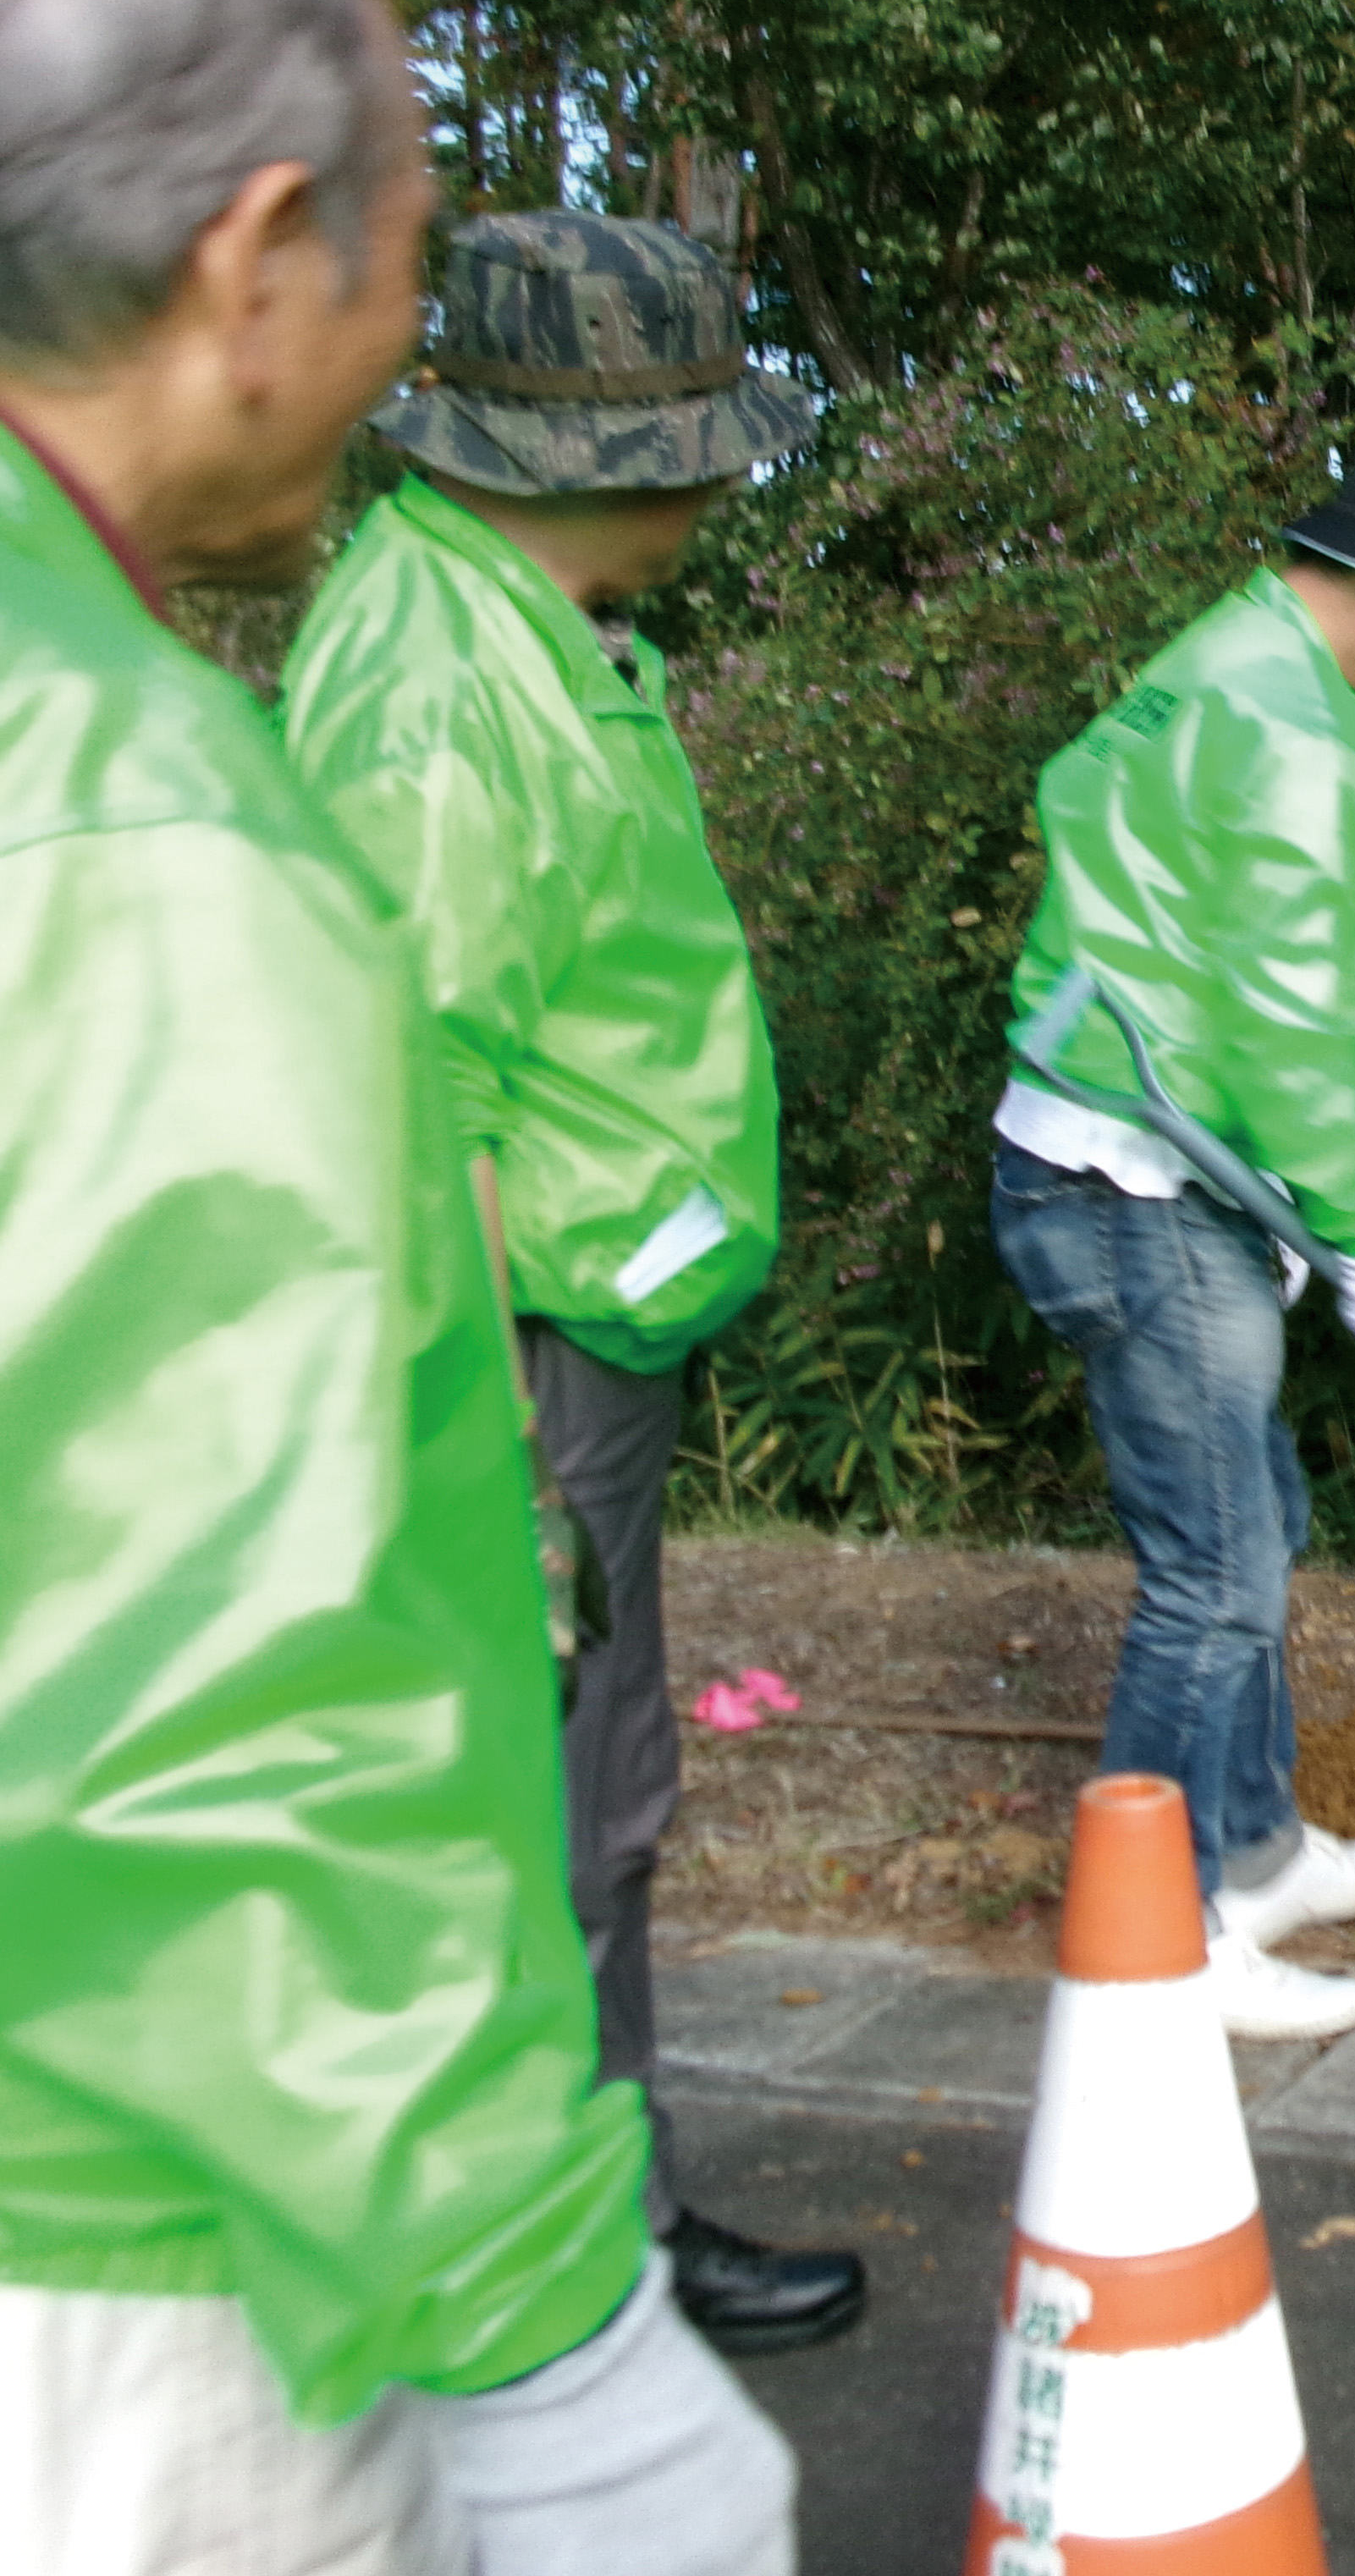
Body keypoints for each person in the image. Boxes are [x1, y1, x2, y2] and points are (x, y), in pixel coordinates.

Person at [0, 0, 790, 2573]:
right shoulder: (137, 796)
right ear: (251, 263)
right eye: (404, 241)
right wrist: (540, 2328)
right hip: (103, 2253)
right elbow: (233, 1656)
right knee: (559, 1807)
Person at [283, 210, 866, 2360]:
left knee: (575, 1784)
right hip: (505, 1337)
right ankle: (564, 2267)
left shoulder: (521, 626)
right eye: (696, 442)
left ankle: (584, 2215)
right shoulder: (437, 684)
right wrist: (494, 1438)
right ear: (591, 452)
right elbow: (407, 1076)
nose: (720, 485)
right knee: (559, 1796)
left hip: (567, 1316)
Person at [994, 442, 1355, 2039]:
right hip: (1133, 1185)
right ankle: (1166, 1929)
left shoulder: (1221, 659)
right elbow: (1278, 1040)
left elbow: (1101, 822)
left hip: (1129, 1144)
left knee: (1251, 1507)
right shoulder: (1296, 736)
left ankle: (1258, 1843)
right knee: (1212, 1571)